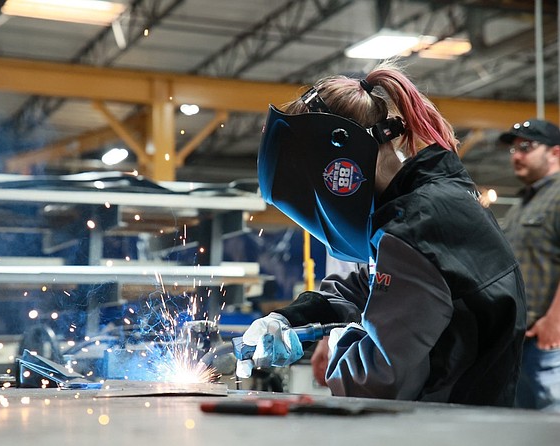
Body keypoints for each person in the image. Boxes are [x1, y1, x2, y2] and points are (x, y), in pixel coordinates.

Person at [236, 61, 526, 407]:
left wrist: (341, 339)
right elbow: (369, 286)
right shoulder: (424, 203)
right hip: (458, 414)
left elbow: (374, 382)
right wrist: (289, 319)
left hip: (454, 426)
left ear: (340, 162)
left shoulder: (418, 225)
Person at [498, 119, 560, 411]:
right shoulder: (524, 203)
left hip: (550, 342)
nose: (517, 155)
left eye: (526, 146)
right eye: (514, 149)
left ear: (555, 153)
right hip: (522, 341)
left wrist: (555, 321)